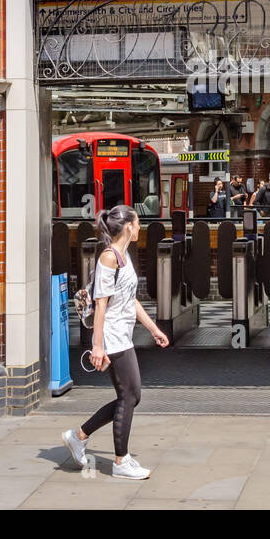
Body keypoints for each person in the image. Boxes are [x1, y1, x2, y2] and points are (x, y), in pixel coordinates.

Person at [62, 205, 169, 479]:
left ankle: (79, 436)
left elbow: (131, 299)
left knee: (130, 396)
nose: (140, 228)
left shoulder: (124, 256)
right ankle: (121, 462)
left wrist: (153, 328)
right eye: (138, 223)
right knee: (130, 396)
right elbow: (100, 304)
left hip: (123, 335)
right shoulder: (109, 257)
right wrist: (97, 346)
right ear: (128, 226)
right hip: (111, 337)